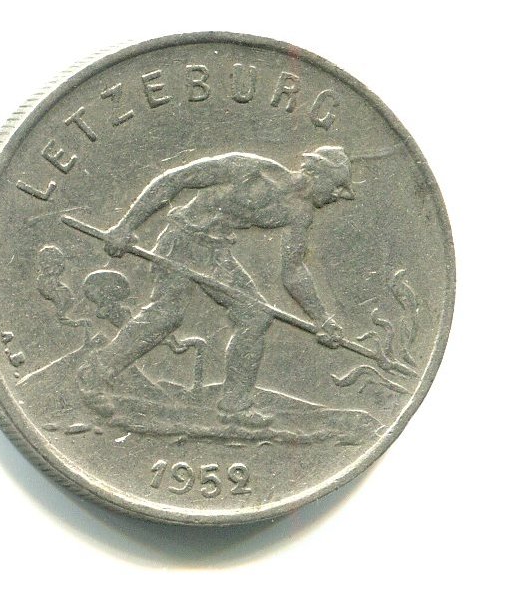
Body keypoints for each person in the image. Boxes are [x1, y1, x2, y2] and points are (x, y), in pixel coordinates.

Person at [79, 145, 355, 416]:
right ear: (318, 173)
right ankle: (96, 372)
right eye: (338, 185)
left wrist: (322, 319)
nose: (339, 195)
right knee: (167, 314)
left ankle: (235, 405)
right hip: (182, 239)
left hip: (216, 253)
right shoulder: (251, 169)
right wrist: (126, 226)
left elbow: (293, 270)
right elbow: (175, 179)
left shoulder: (299, 213)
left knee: (255, 315)